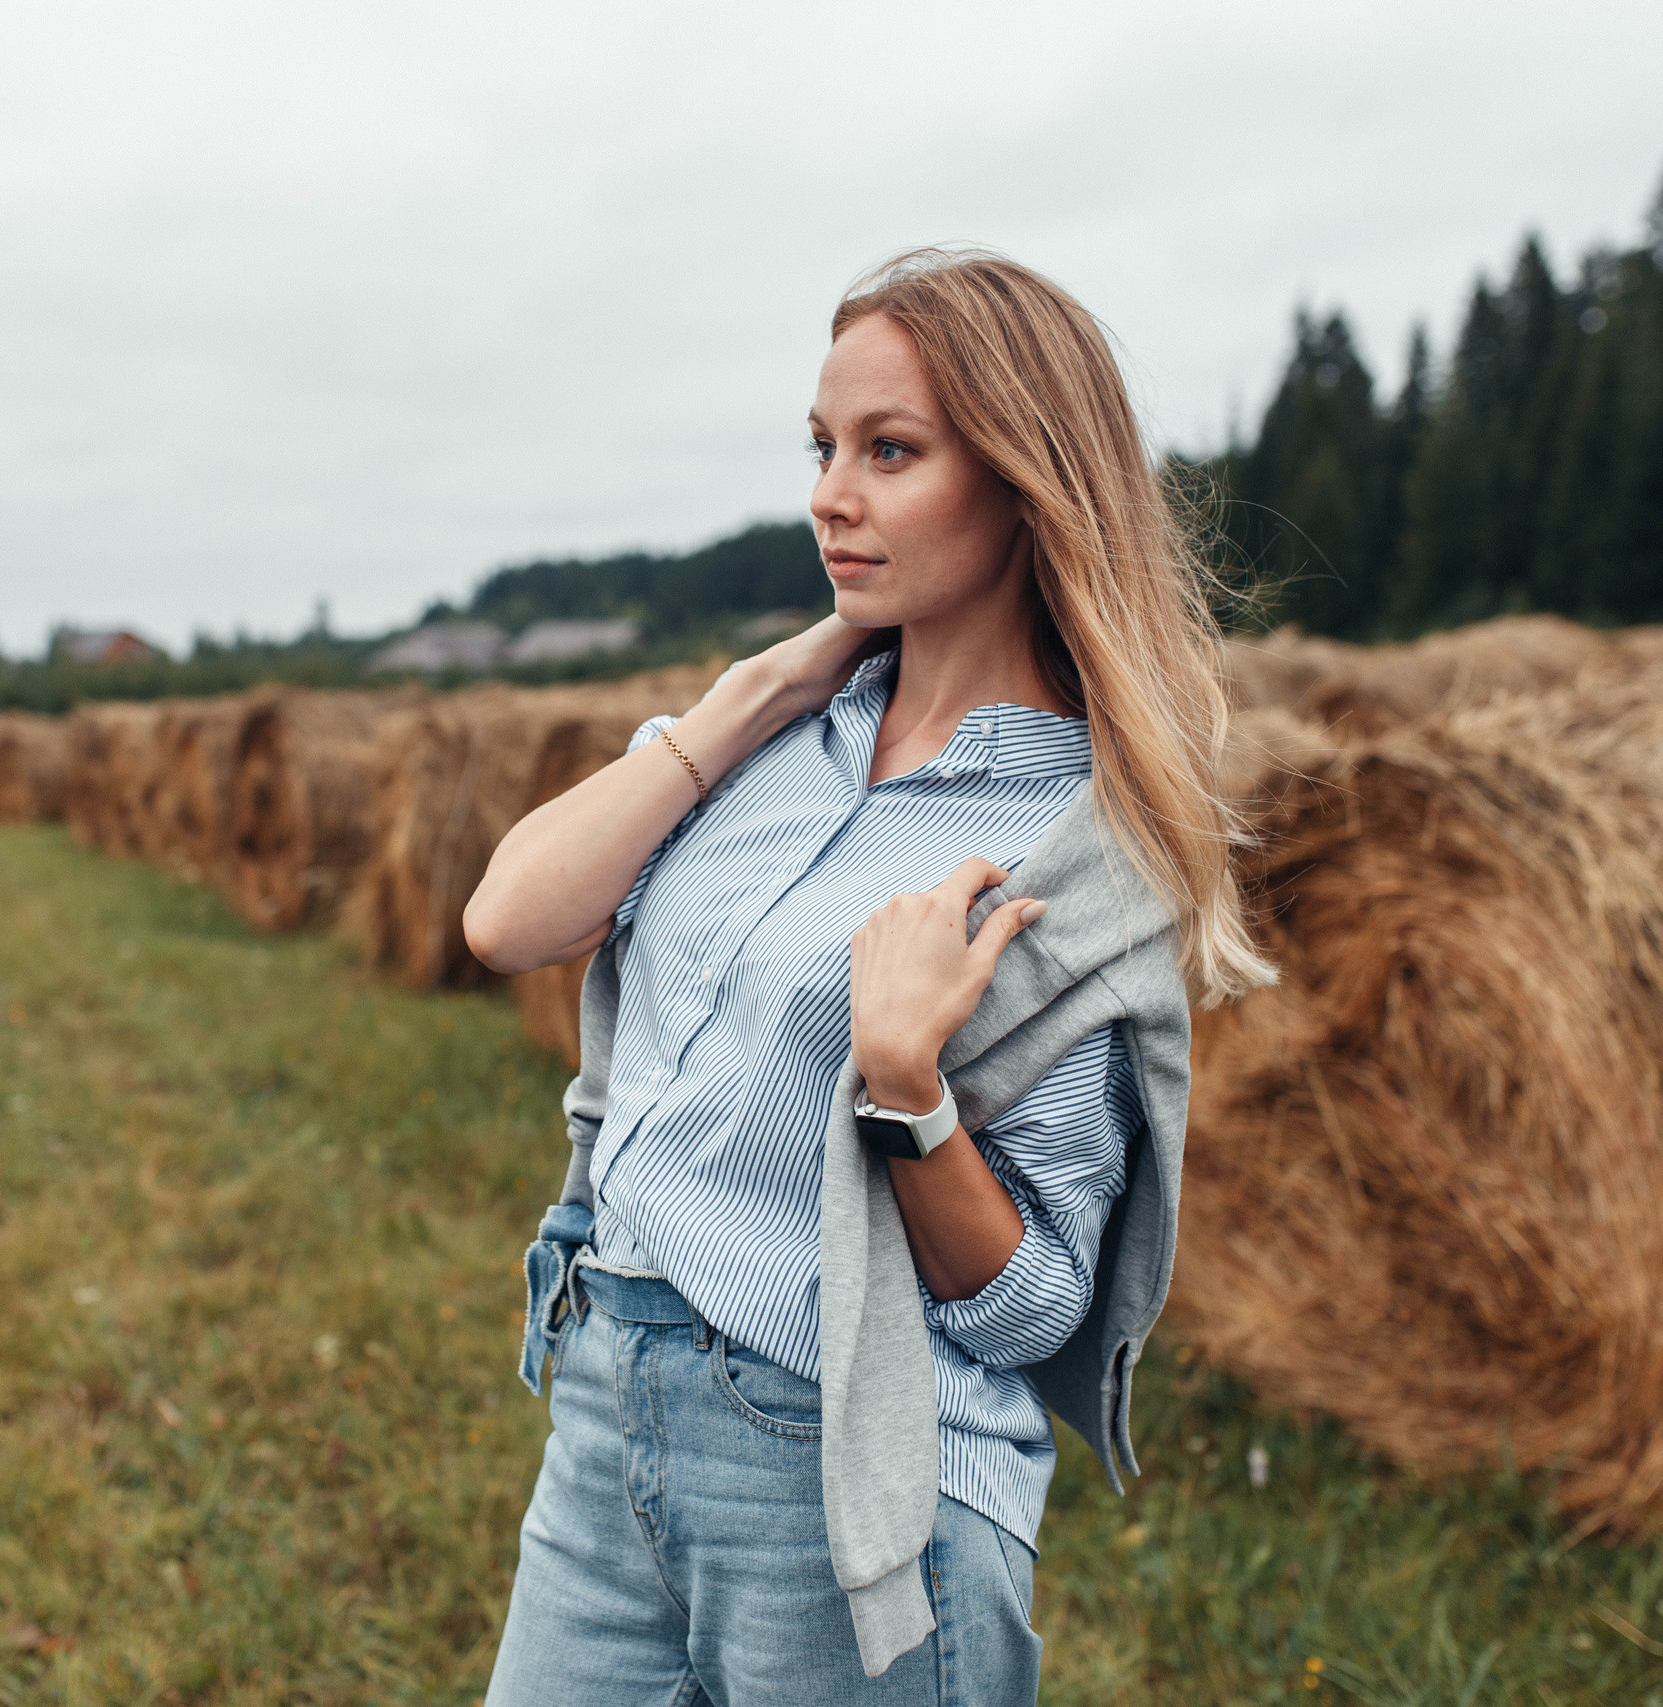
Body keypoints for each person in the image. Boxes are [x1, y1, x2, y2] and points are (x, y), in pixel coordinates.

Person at [463, 249, 1274, 1706]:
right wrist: (760, 689)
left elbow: (1034, 1311)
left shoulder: (1070, 856)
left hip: (844, 1488)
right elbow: (507, 921)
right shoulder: (772, 745)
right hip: (605, 1413)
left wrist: (909, 1094)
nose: (831, 496)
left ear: (1024, 481)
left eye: (889, 452)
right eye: (823, 449)